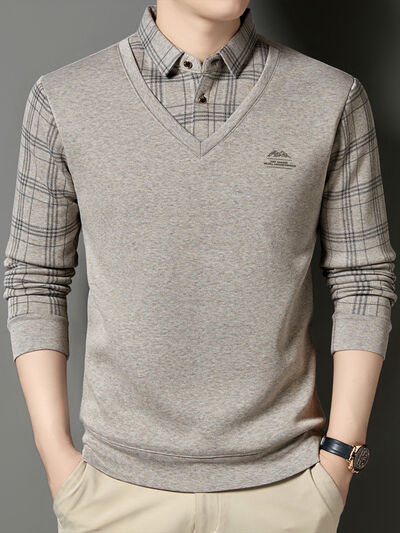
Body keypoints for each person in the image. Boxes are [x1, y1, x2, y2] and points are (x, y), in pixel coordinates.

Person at [3, 1, 397, 532]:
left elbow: (364, 279)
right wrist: (58, 460)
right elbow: (34, 278)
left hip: (287, 492)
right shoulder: (64, 98)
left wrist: (339, 463)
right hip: (115, 493)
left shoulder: (331, 97)